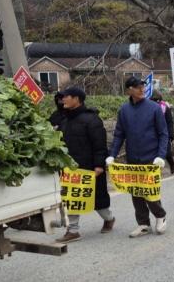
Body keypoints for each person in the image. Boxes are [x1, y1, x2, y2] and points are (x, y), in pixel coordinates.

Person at [107, 77, 169, 238]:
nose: (141, 89)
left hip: (151, 158)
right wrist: (112, 155)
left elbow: (163, 133)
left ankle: (160, 216)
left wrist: (161, 156)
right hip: (133, 157)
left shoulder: (154, 108)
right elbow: (119, 134)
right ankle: (143, 224)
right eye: (137, 87)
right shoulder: (124, 110)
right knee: (136, 191)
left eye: (142, 86)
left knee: (149, 191)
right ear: (129, 90)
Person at [56, 87, 114, 243]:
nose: (63, 100)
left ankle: (109, 218)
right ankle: (73, 230)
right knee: (72, 198)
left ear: (77, 99)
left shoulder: (92, 119)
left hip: (90, 168)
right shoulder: (65, 120)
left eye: (66, 97)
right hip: (70, 169)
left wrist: (99, 165)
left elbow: (100, 144)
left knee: (97, 200)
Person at [151, 91, 174, 174]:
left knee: (167, 153)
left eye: (157, 100)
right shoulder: (149, 107)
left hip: (164, 134)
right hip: (153, 134)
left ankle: (172, 164)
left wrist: (171, 135)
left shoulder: (165, 107)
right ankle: (156, 170)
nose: (156, 101)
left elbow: (169, 122)